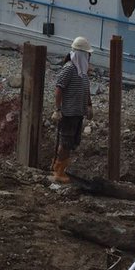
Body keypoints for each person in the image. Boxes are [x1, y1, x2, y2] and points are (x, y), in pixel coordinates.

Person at [51, 35, 94, 182]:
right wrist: (58, 109)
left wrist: (89, 105)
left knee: (71, 143)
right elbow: (59, 88)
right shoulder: (69, 69)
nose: (89, 57)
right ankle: (58, 171)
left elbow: (86, 89)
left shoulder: (83, 72)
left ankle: (62, 169)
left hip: (77, 113)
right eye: (88, 54)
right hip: (68, 113)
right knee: (65, 142)